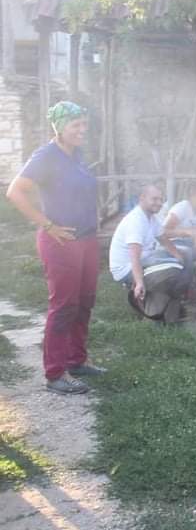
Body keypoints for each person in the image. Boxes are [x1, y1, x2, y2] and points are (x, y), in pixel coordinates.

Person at [5, 101, 103, 395]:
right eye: (76, 125)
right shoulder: (46, 156)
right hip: (61, 241)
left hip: (87, 239)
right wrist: (48, 225)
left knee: (84, 302)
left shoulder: (77, 154)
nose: (82, 130)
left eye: (84, 124)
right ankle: (55, 373)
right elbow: (15, 191)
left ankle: (76, 360)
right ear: (59, 128)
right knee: (63, 307)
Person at [109, 184, 192, 313]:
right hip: (126, 269)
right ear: (142, 198)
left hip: (145, 260)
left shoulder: (151, 218)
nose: (159, 203)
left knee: (186, 254)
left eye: (161, 199)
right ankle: (147, 304)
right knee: (172, 270)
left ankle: (179, 299)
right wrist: (139, 282)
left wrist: (178, 256)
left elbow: (163, 239)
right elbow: (134, 257)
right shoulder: (135, 220)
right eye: (154, 199)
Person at [162, 180, 196, 249]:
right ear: (192, 193)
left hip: (193, 246)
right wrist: (187, 232)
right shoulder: (182, 207)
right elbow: (163, 232)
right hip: (175, 245)